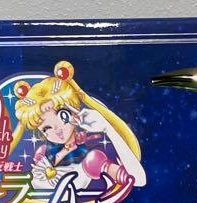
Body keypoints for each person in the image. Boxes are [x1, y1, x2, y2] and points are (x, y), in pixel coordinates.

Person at [11, 61, 146, 194]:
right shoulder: (42, 153)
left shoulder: (92, 159)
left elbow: (138, 180)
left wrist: (107, 128)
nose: (56, 129)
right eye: (46, 128)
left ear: (74, 111)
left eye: (62, 116)